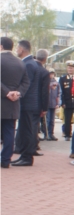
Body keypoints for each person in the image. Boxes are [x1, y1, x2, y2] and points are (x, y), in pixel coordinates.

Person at [12, 42, 47, 166]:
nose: (16, 50)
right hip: (30, 103)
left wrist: (17, 94)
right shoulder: (30, 63)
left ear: (21, 49)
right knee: (25, 129)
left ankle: (26, 157)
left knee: (28, 130)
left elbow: (27, 85)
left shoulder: (28, 64)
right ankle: (24, 155)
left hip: (29, 103)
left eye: (17, 48)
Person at [1, 37, 30, 168]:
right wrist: (17, 92)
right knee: (9, 132)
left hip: (2, 99)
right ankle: (5, 160)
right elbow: (26, 82)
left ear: (1, 46)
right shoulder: (20, 63)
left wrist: (6, 92)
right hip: (13, 104)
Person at [60, 60, 74, 141]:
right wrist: (62, 102)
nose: (70, 69)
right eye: (69, 68)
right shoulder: (63, 79)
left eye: (72, 68)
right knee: (67, 119)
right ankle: (67, 134)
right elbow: (61, 92)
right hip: (67, 101)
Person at [45, 70, 61, 141]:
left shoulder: (56, 83)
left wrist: (58, 103)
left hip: (54, 103)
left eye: (52, 74)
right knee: (47, 120)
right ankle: (47, 134)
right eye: (50, 74)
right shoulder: (46, 82)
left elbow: (59, 93)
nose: (51, 75)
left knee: (52, 120)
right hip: (47, 104)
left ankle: (51, 133)